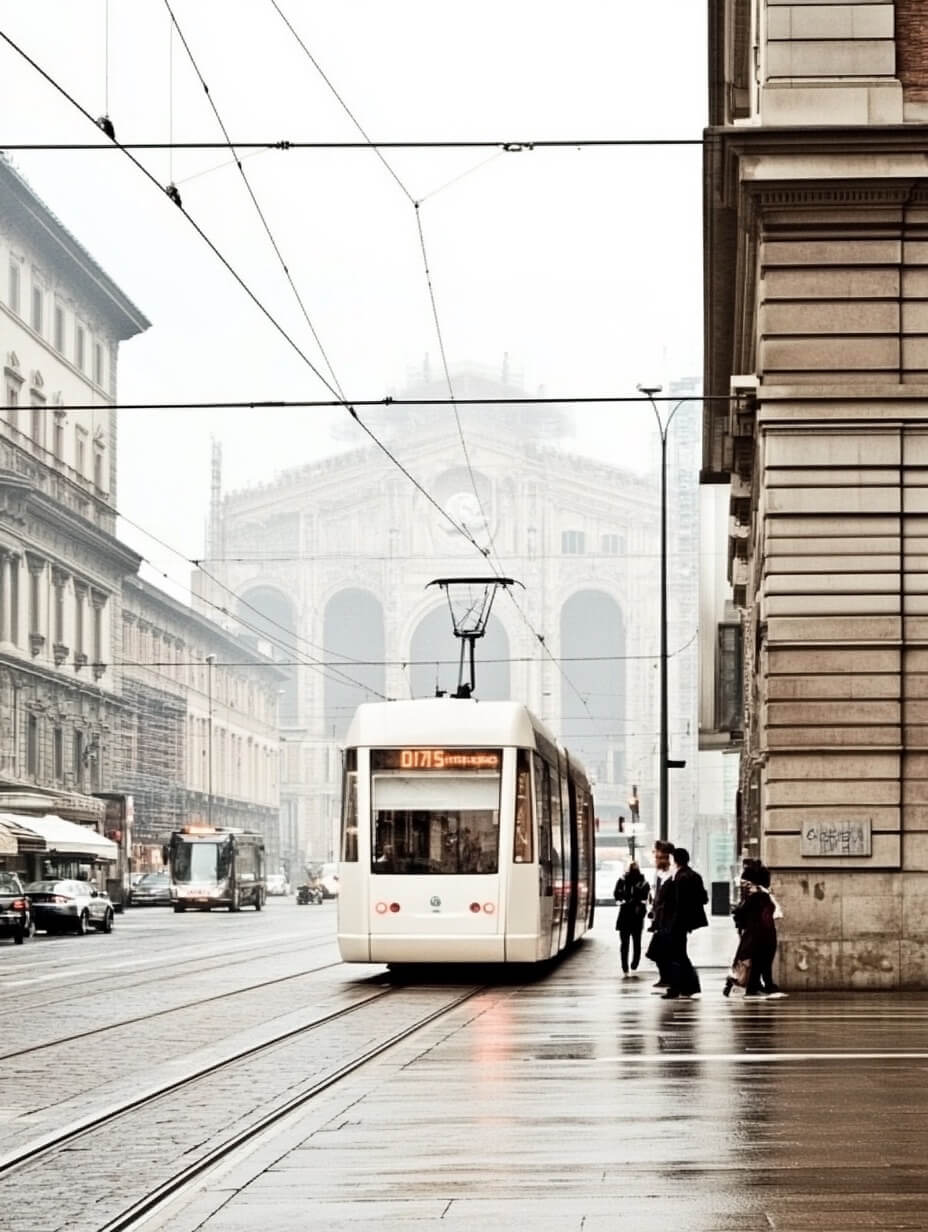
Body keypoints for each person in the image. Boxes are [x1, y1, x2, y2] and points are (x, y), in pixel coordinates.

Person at [725, 859, 786, 998]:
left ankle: (755, 987)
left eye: (746, 883)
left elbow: (742, 915)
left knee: (754, 963)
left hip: (756, 935)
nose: (744, 886)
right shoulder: (766, 896)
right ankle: (763, 986)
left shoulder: (756, 897)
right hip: (765, 934)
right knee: (761, 963)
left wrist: (738, 911)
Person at [660, 846, 709, 1000]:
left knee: (676, 955)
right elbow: (704, 898)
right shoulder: (694, 875)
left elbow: (679, 903)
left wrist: (671, 922)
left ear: (675, 860)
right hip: (686, 922)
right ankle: (687, 986)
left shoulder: (680, 877)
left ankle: (679, 987)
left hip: (678, 922)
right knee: (680, 954)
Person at [645, 840, 676, 991]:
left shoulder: (672, 875)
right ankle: (667, 978)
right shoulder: (659, 873)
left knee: (665, 952)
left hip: (669, 920)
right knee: (658, 952)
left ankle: (673, 980)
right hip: (661, 920)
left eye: (656, 854)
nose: (655, 857)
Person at [613, 861, 651, 976]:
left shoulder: (622, 880)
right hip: (637, 916)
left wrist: (623, 900)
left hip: (624, 914)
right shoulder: (644, 882)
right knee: (636, 942)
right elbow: (646, 897)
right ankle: (634, 964)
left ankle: (625, 967)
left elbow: (616, 894)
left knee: (624, 943)